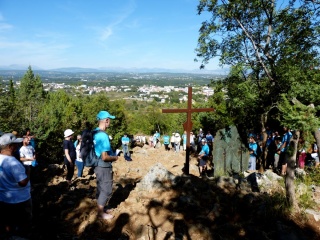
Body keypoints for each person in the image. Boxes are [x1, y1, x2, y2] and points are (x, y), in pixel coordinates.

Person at [0, 133, 32, 238]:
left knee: (8, 220)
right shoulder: (13, 163)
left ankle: (9, 235)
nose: (17, 146)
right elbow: (22, 182)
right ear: (10, 147)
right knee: (23, 222)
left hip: (4, 197)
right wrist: (27, 173)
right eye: (15, 144)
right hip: (20, 199)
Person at [94, 110, 119, 220]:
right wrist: (115, 157)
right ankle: (100, 213)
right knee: (107, 189)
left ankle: (101, 208)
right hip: (103, 165)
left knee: (100, 187)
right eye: (109, 120)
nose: (110, 123)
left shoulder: (94, 132)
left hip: (96, 164)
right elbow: (105, 157)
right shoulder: (103, 136)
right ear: (106, 120)